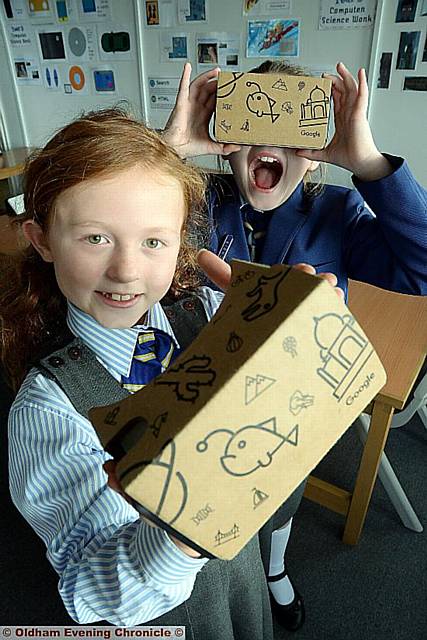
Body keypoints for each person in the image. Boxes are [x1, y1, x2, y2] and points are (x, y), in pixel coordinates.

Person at [1, 107, 341, 635]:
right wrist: (184, 523)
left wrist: (292, 338)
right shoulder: (49, 411)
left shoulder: (205, 312)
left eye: (153, 241)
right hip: (163, 608)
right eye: (95, 238)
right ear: (42, 240)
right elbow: (93, 587)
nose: (127, 270)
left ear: (180, 241)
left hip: (238, 570)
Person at [162, 59, 427, 631]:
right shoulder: (185, 198)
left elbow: (424, 268)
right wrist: (172, 150)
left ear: (312, 150)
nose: (270, 143)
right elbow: (119, 215)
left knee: (281, 496)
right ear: (225, 140)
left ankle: (276, 567)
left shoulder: (337, 210)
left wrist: (371, 165)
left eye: (292, 131)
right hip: (197, 387)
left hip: (292, 402)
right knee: (198, 504)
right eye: (252, 123)